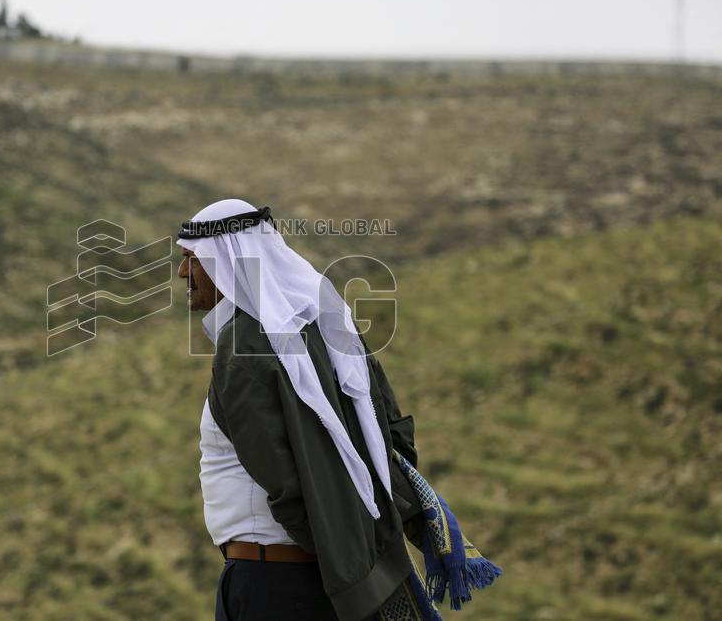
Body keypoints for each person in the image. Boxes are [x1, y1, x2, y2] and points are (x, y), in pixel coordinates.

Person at [176, 199, 500, 621]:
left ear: (226, 262)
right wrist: (357, 543)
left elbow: (281, 477)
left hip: (273, 581)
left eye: (191, 259)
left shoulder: (243, 347)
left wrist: (337, 549)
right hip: (327, 574)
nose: (183, 272)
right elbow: (395, 435)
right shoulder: (329, 323)